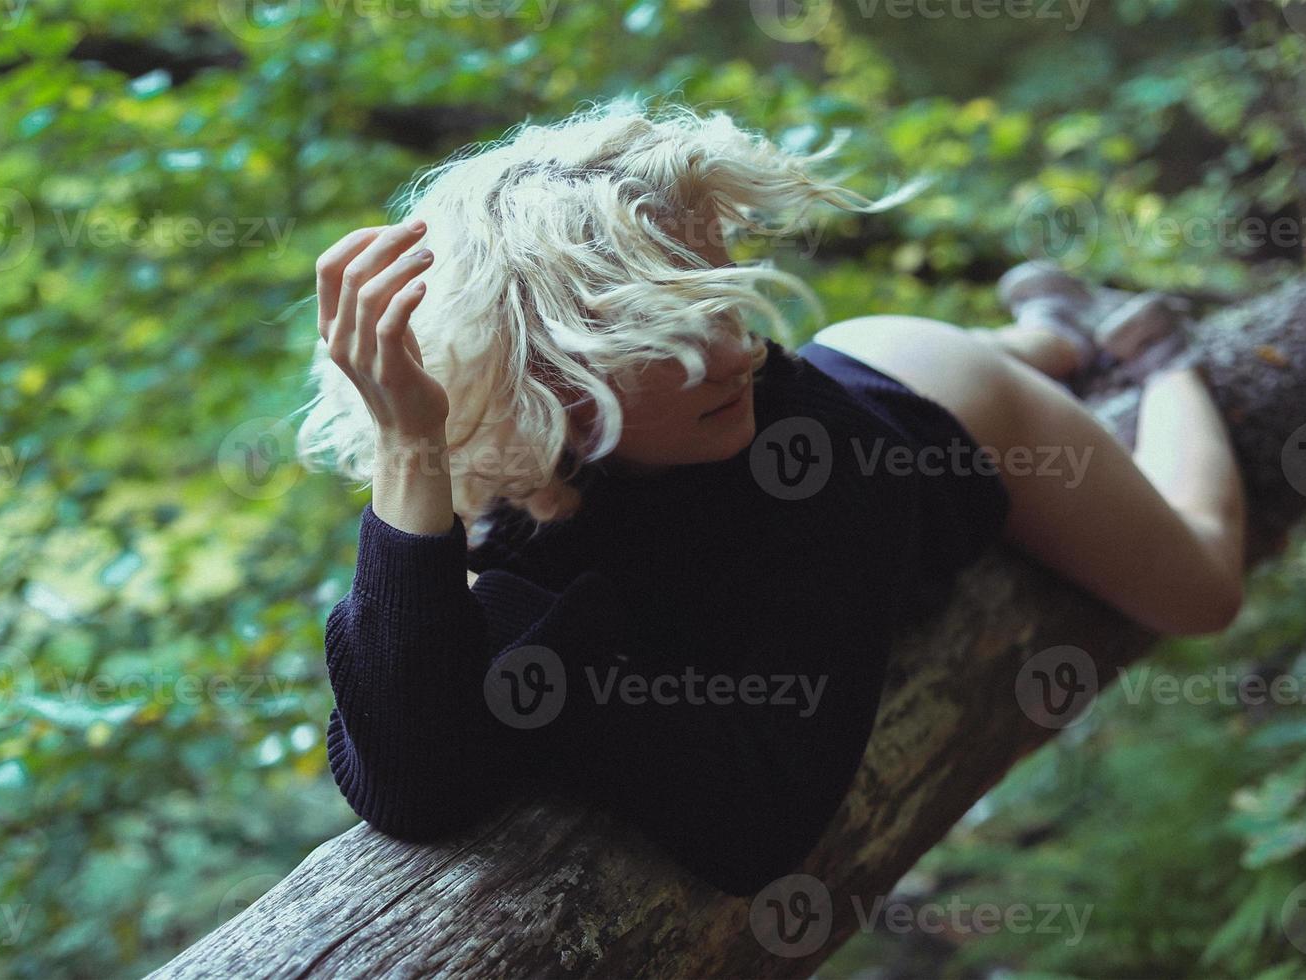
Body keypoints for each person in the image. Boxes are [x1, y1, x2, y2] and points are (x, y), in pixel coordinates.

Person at [293, 98, 1246, 896]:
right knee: (937, 366)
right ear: (541, 378)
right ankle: (1054, 332)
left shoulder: (811, 466)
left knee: (1201, 586)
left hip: (945, 408)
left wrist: (560, 696)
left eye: (727, 295)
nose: (738, 347)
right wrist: (409, 445)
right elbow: (410, 779)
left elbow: (760, 828)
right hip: (858, 378)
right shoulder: (511, 472)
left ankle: (1156, 357)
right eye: (668, 331)